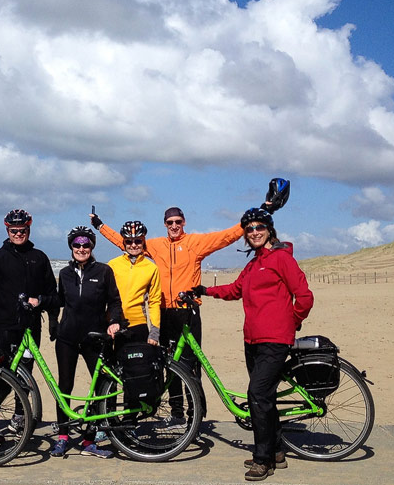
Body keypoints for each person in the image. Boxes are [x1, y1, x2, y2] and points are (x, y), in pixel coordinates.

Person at [91, 179, 289, 428]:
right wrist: (100, 226)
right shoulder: (155, 245)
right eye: (169, 222)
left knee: (191, 365)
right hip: (164, 313)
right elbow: (127, 242)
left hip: (188, 312)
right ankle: (177, 415)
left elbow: (228, 236)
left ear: (183, 222)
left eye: (178, 221)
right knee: (167, 364)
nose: (174, 226)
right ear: (165, 225)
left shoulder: (196, 242)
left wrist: (262, 211)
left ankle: (196, 414)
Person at [192, 207, 313, 481]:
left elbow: (305, 297)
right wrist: (205, 291)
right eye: (249, 229)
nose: (254, 232)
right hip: (252, 339)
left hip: (275, 340)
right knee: (265, 398)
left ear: (269, 229)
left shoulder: (282, 259)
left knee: (256, 396)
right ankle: (276, 451)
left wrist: (292, 321)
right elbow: (235, 289)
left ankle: (262, 460)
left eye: (259, 227)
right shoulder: (254, 263)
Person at [32, 226, 123, 459]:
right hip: (67, 338)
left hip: (95, 338)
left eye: (86, 244)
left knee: (101, 388)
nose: (81, 248)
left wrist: (114, 321)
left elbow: (114, 301)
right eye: (77, 244)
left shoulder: (104, 271)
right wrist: (40, 301)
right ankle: (62, 437)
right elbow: (59, 300)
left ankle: (90, 439)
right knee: (64, 386)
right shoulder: (64, 273)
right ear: (71, 247)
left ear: (92, 247)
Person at [0, 209, 58, 433]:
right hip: (5, 326)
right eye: (14, 230)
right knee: (0, 374)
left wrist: (53, 319)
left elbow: (52, 293)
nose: (18, 234)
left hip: (31, 327)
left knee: (25, 375)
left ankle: (19, 417)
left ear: (29, 230)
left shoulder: (39, 257)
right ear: (7, 231)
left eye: (22, 230)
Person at [105, 220, 161, 346]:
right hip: (113, 323)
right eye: (129, 241)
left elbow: (154, 301)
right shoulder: (112, 264)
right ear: (124, 242)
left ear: (144, 242)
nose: (133, 245)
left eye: (138, 241)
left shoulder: (151, 268)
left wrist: (154, 330)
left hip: (138, 323)